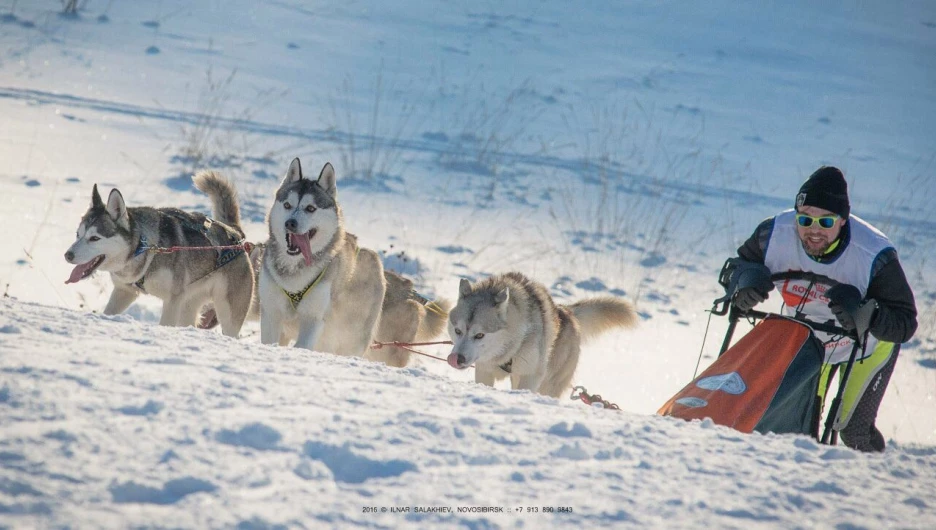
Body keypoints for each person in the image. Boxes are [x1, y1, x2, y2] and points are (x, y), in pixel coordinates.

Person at [730, 166, 917, 452]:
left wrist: (868, 315)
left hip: (866, 348)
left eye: (825, 222)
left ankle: (876, 483)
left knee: (853, 434)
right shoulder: (773, 235)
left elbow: (905, 323)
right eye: (805, 220)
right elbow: (739, 265)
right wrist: (744, 283)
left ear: (842, 221)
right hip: (809, 344)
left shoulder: (873, 255)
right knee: (800, 433)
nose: (814, 231)